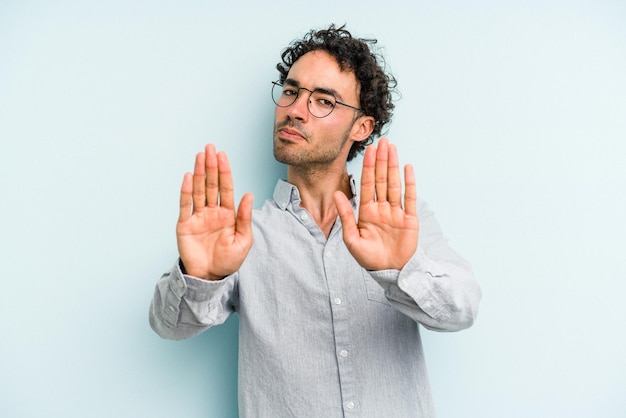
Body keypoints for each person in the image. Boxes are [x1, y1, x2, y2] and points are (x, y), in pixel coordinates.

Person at [149, 24, 481, 417]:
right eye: (291, 91)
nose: (295, 109)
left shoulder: (402, 223)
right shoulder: (241, 237)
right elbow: (170, 326)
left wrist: (400, 269)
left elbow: (461, 309)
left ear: (362, 127)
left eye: (324, 100)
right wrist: (200, 276)